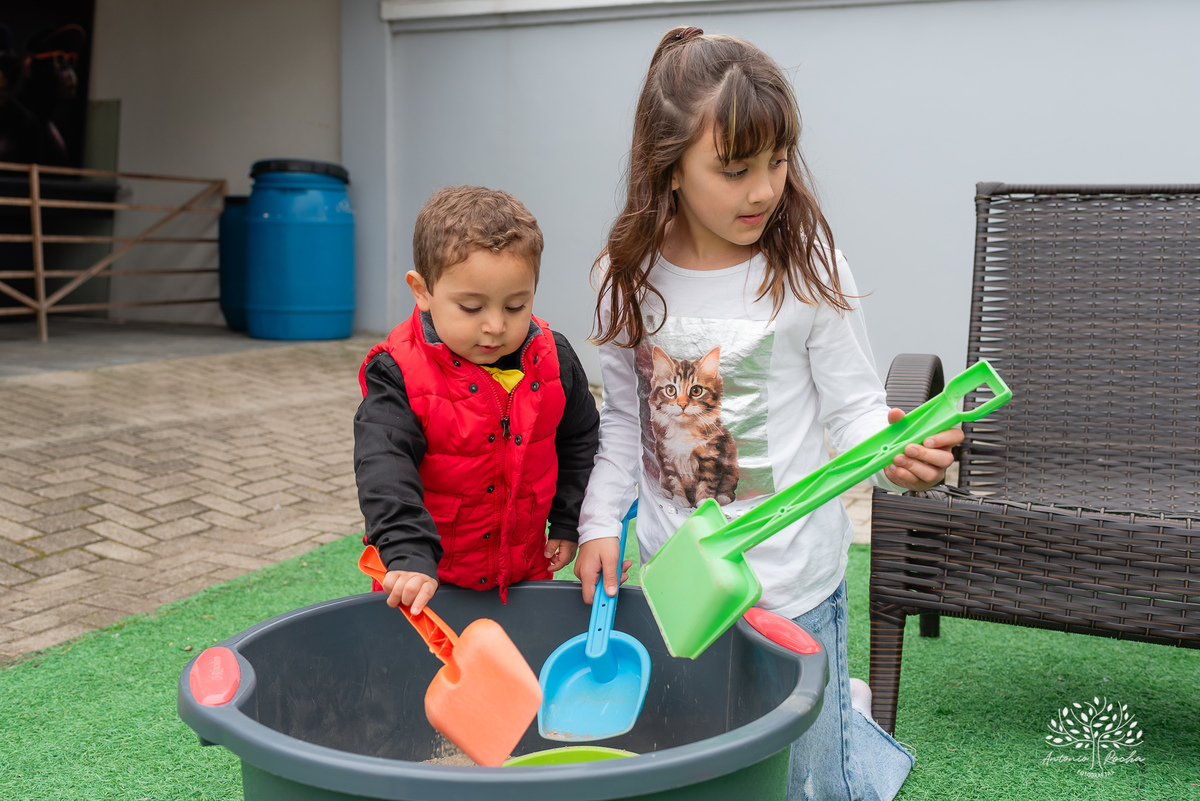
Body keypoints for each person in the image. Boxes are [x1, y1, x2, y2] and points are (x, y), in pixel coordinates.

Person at [573, 27, 963, 801]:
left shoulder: (809, 267)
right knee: (709, 761)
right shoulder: (626, 277)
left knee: (815, 784)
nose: (762, 190)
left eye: (777, 162)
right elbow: (624, 423)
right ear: (669, 168)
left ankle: (846, 727)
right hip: (676, 577)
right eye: (734, 169)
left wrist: (894, 450)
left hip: (795, 580)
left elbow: (854, 408)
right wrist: (595, 523)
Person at [355, 185, 600, 615]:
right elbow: (383, 467)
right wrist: (409, 553)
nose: (494, 326)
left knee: (520, 674)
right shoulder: (399, 372)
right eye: (470, 307)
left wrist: (567, 520)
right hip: (426, 584)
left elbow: (580, 441)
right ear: (422, 290)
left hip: (524, 575)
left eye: (515, 305)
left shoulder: (553, 360)